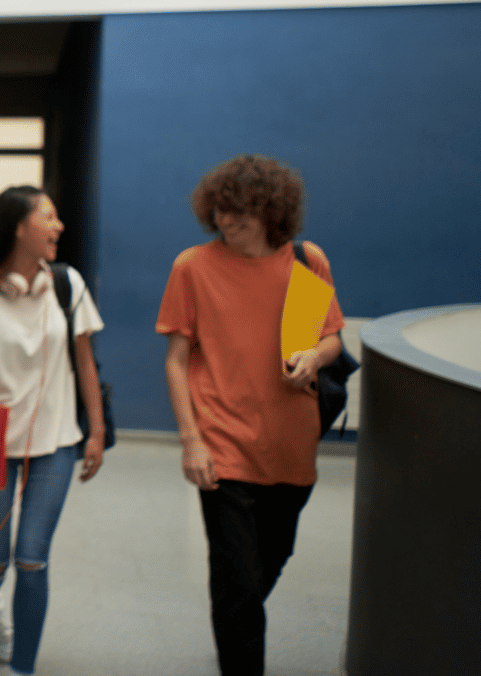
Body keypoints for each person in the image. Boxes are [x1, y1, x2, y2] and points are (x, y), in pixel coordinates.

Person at [156, 154, 345, 676]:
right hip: (223, 447)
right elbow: (176, 361)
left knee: (265, 564)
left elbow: (329, 338)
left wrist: (314, 356)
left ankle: (235, 623)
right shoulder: (192, 267)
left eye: (241, 212)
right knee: (238, 584)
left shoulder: (306, 262)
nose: (227, 221)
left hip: (291, 446)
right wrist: (192, 441)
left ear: (272, 213)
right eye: (220, 210)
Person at [0, 185, 107, 675]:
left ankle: (23, 667)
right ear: (18, 228)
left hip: (57, 443)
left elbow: (86, 364)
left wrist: (94, 432)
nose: (59, 227)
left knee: (31, 558)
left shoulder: (67, 285)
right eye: (48, 217)